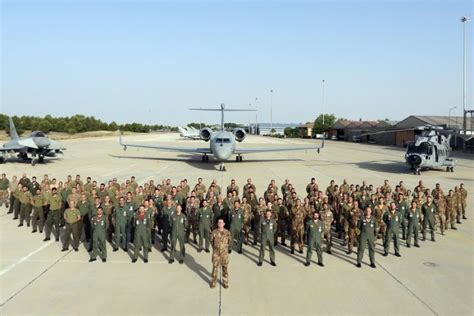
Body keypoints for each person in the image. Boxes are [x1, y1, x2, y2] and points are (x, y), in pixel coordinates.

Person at [210, 218, 231, 289]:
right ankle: (213, 282)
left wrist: (224, 248)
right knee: (215, 269)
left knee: (225, 269)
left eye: (221, 222)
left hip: (224, 254)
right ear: (217, 224)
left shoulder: (227, 232)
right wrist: (215, 248)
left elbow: (229, 241)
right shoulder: (214, 232)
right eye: (219, 222)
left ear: (224, 224)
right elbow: (211, 241)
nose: (220, 224)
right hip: (216, 254)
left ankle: (225, 283)